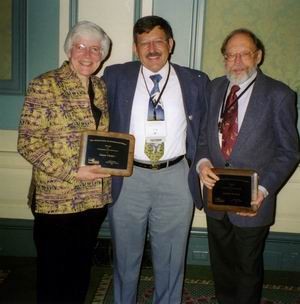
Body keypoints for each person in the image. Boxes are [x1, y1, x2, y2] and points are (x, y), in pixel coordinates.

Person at [102, 15, 210, 304]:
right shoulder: (115, 76)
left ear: (170, 44)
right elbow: (95, 121)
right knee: (125, 256)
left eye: (158, 41)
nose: (151, 48)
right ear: (136, 48)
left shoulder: (196, 81)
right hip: (128, 176)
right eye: (143, 43)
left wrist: (200, 163)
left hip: (175, 176)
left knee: (172, 256)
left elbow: (203, 134)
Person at [197, 28, 300, 304]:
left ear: (258, 56)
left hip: (254, 201)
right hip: (216, 199)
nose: (237, 61)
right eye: (231, 55)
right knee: (221, 267)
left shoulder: (279, 95)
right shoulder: (214, 88)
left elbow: (289, 152)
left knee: (247, 270)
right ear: (224, 59)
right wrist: (203, 163)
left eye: (244, 54)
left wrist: (264, 190)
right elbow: (203, 140)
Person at [17, 21, 112, 304]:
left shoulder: (100, 87)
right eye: (80, 46)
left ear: (103, 55)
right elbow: (28, 143)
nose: (87, 54)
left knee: (81, 269)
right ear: (69, 49)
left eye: (95, 48)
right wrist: (73, 173)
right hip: (56, 200)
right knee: (53, 274)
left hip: (93, 199)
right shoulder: (44, 84)